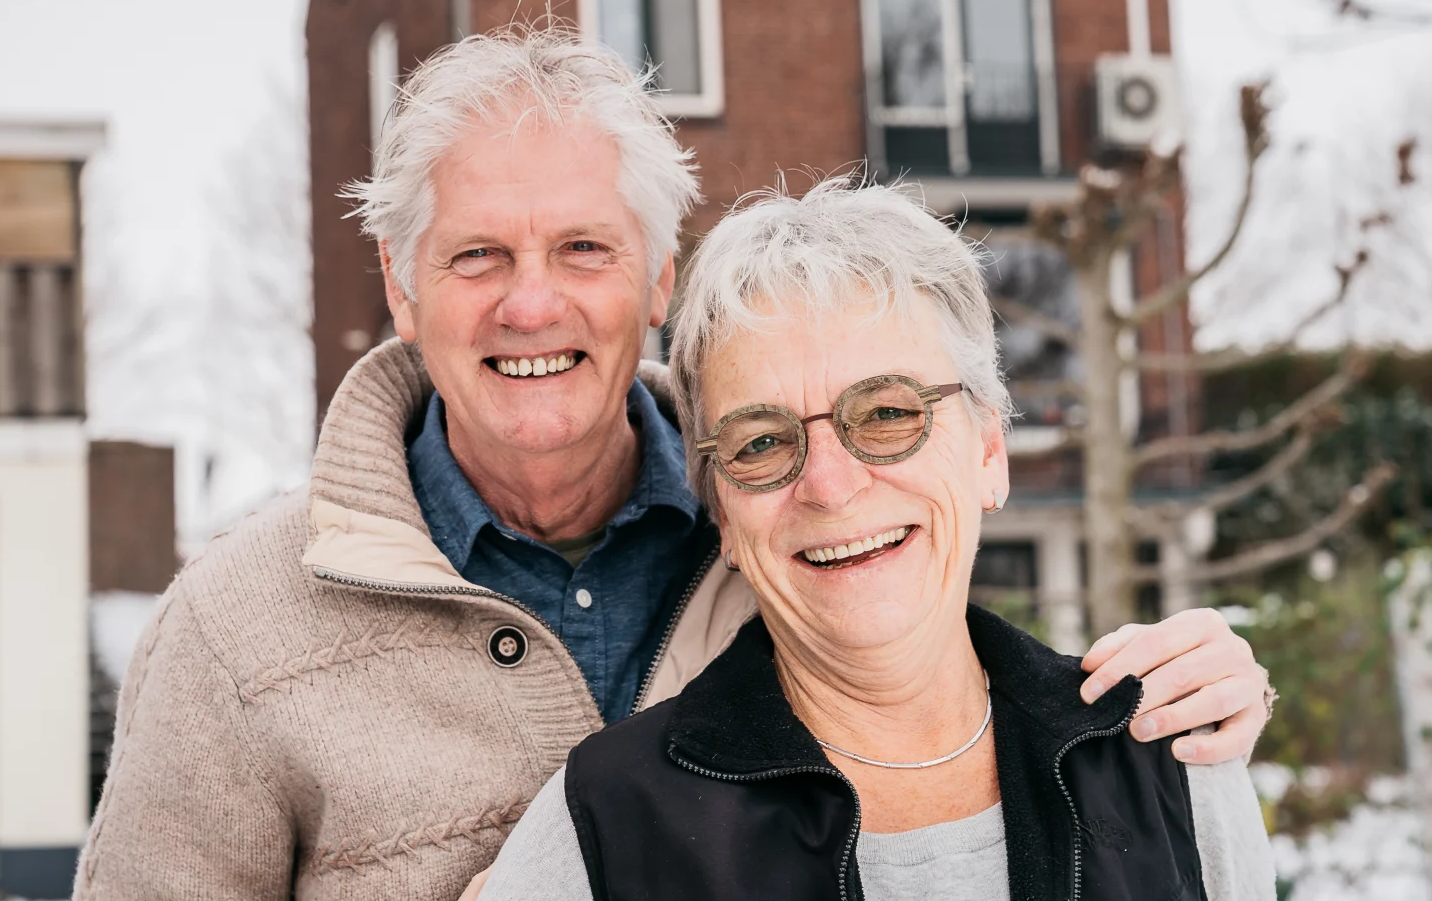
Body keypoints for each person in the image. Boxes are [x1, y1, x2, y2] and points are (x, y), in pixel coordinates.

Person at [76, 28, 1272, 901]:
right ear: (401, 286)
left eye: (584, 246)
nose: (531, 301)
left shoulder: (786, 520)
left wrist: (1193, 699)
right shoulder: (235, 631)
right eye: (478, 254)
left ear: (658, 276)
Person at [479, 179, 1274, 901]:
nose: (829, 483)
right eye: (761, 442)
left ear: (989, 452)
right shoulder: (606, 829)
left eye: (889, 414)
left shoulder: (1167, 767)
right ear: (720, 512)